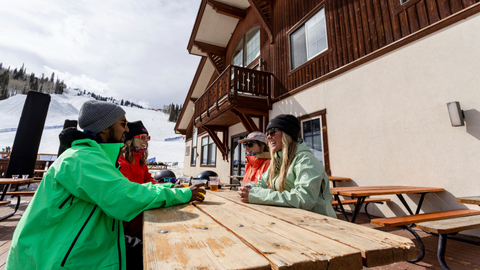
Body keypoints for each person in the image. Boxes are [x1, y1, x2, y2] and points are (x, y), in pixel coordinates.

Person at [5, 100, 206, 270]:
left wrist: (169, 188)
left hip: (77, 247)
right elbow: (125, 197)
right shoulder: (82, 159)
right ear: (105, 127)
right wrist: (183, 194)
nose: (127, 129)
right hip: (54, 257)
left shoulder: (96, 158)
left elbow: (128, 190)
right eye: (123, 123)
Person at [237, 114, 336, 218]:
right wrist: (248, 189)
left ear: (286, 134)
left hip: (320, 223)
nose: (269, 137)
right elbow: (261, 183)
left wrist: (257, 195)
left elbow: (304, 199)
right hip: (292, 220)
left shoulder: (305, 160)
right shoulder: (277, 161)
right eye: (267, 133)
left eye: (272, 132)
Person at [118, 120, 156, 185]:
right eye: (142, 137)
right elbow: (130, 187)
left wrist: (167, 187)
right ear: (130, 140)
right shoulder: (121, 161)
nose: (145, 141)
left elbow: (148, 179)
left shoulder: (140, 160)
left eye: (147, 138)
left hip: (141, 193)